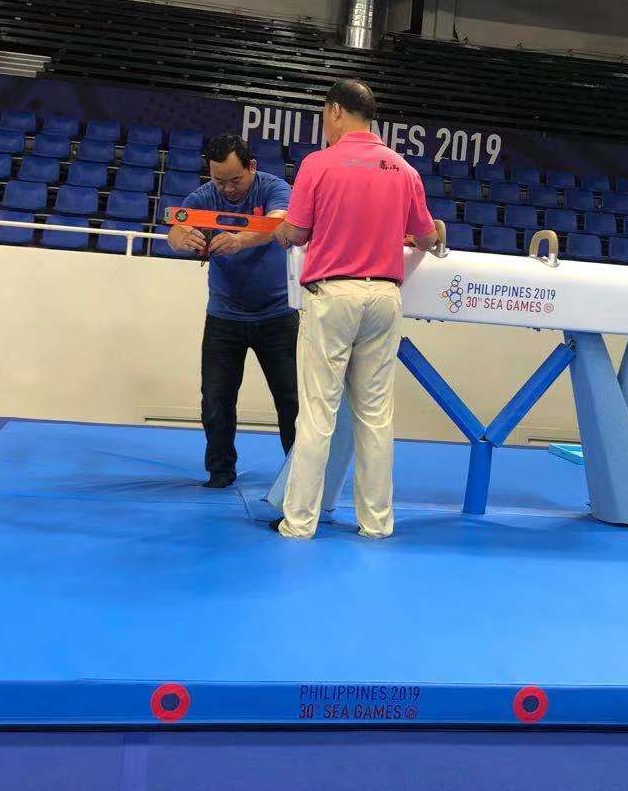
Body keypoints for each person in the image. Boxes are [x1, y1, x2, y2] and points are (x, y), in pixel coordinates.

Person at [271, 79, 438, 540]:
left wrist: (282, 232)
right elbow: (427, 238)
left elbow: (297, 232)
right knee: (376, 414)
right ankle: (377, 523)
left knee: (317, 414)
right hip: (384, 297)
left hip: (333, 295)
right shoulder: (403, 169)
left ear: (336, 112)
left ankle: (299, 523)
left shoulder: (318, 163)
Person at [167, 134, 297, 489]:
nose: (227, 189)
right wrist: (181, 238)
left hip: (279, 315)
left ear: (251, 166)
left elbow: (280, 223)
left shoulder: (274, 188)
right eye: (219, 180)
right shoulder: (204, 196)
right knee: (215, 399)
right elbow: (178, 226)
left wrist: (240, 239)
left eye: (235, 180)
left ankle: (299, 478)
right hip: (224, 316)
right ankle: (220, 471)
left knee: (292, 401)